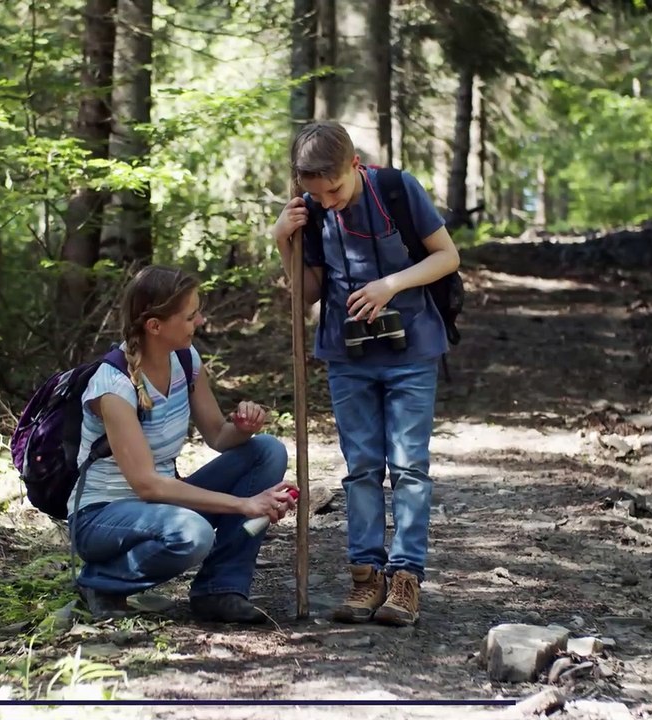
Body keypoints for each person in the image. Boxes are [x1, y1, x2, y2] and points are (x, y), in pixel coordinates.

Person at [272, 121, 460, 627]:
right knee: (360, 467)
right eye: (316, 193)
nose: (328, 201)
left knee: (408, 466)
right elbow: (305, 294)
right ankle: (365, 578)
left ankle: (406, 580)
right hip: (347, 355)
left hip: (412, 347)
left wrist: (389, 286)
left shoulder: (397, 189)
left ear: (355, 165)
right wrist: (282, 241)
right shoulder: (310, 210)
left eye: (334, 189)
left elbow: (447, 256)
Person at [69, 265, 299, 624]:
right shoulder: (113, 386)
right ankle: (101, 583)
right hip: (101, 517)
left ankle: (219, 590)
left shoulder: (185, 359)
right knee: (193, 534)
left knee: (266, 450)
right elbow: (147, 485)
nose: (201, 320)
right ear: (155, 326)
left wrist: (242, 427)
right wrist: (244, 505)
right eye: (190, 316)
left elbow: (218, 437)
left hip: (160, 506)